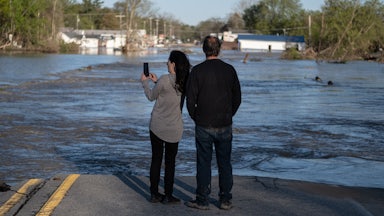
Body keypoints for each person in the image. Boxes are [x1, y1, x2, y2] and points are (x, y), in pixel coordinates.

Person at [185, 36, 242, 210]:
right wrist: (228, 115)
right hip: (224, 123)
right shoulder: (229, 70)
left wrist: (197, 117)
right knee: (225, 163)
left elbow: (190, 100)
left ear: (203, 49)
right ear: (219, 49)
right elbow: (237, 98)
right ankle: (225, 200)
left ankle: (202, 200)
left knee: (203, 162)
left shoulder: (197, 71)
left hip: (203, 123)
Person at [141, 50, 190, 204]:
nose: (167, 64)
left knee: (156, 159)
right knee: (170, 163)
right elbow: (172, 93)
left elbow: (151, 96)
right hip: (174, 128)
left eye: (168, 61)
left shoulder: (163, 80)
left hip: (157, 126)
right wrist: (157, 82)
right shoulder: (186, 81)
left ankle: (154, 194)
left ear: (174, 64)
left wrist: (145, 82)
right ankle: (168, 195)